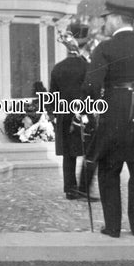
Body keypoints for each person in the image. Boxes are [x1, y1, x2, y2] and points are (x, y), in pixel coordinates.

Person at [83, 1, 134, 238]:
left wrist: (94, 110)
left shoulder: (105, 48)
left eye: (106, 18)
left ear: (117, 18)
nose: (104, 23)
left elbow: (90, 86)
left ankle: (113, 227)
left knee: (108, 170)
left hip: (114, 114)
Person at [49, 24, 99, 201]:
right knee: (91, 152)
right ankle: (84, 189)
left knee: (69, 156)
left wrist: (53, 116)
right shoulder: (88, 67)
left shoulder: (58, 68)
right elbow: (93, 93)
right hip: (84, 115)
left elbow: (52, 96)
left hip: (64, 116)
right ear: (82, 45)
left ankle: (70, 190)